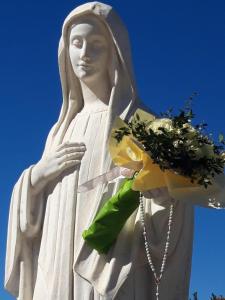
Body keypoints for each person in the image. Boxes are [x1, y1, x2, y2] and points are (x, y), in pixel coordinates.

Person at [5, 2, 225, 300]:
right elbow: (32, 225)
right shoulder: (59, 131)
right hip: (55, 262)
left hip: (112, 261)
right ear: (64, 50)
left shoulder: (139, 123)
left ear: (115, 52)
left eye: (97, 44)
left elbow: (168, 205)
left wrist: (162, 200)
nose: (84, 54)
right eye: (77, 43)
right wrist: (34, 179)